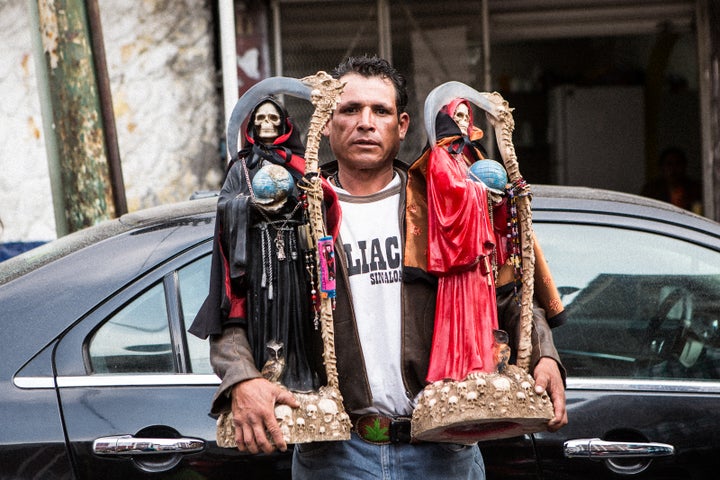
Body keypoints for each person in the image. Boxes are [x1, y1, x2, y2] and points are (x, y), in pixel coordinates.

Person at [194, 55, 567, 479]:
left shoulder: (444, 203)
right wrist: (242, 378)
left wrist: (545, 355)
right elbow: (233, 303)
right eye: (350, 109)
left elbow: (505, 288)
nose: (365, 122)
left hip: (444, 448)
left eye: (381, 111)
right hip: (335, 456)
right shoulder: (289, 212)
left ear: (403, 125)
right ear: (328, 122)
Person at [641, 146, 702, 214]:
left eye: (678, 164)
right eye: (669, 164)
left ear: (684, 166)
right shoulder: (652, 190)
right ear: (662, 167)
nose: (673, 169)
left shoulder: (695, 189)